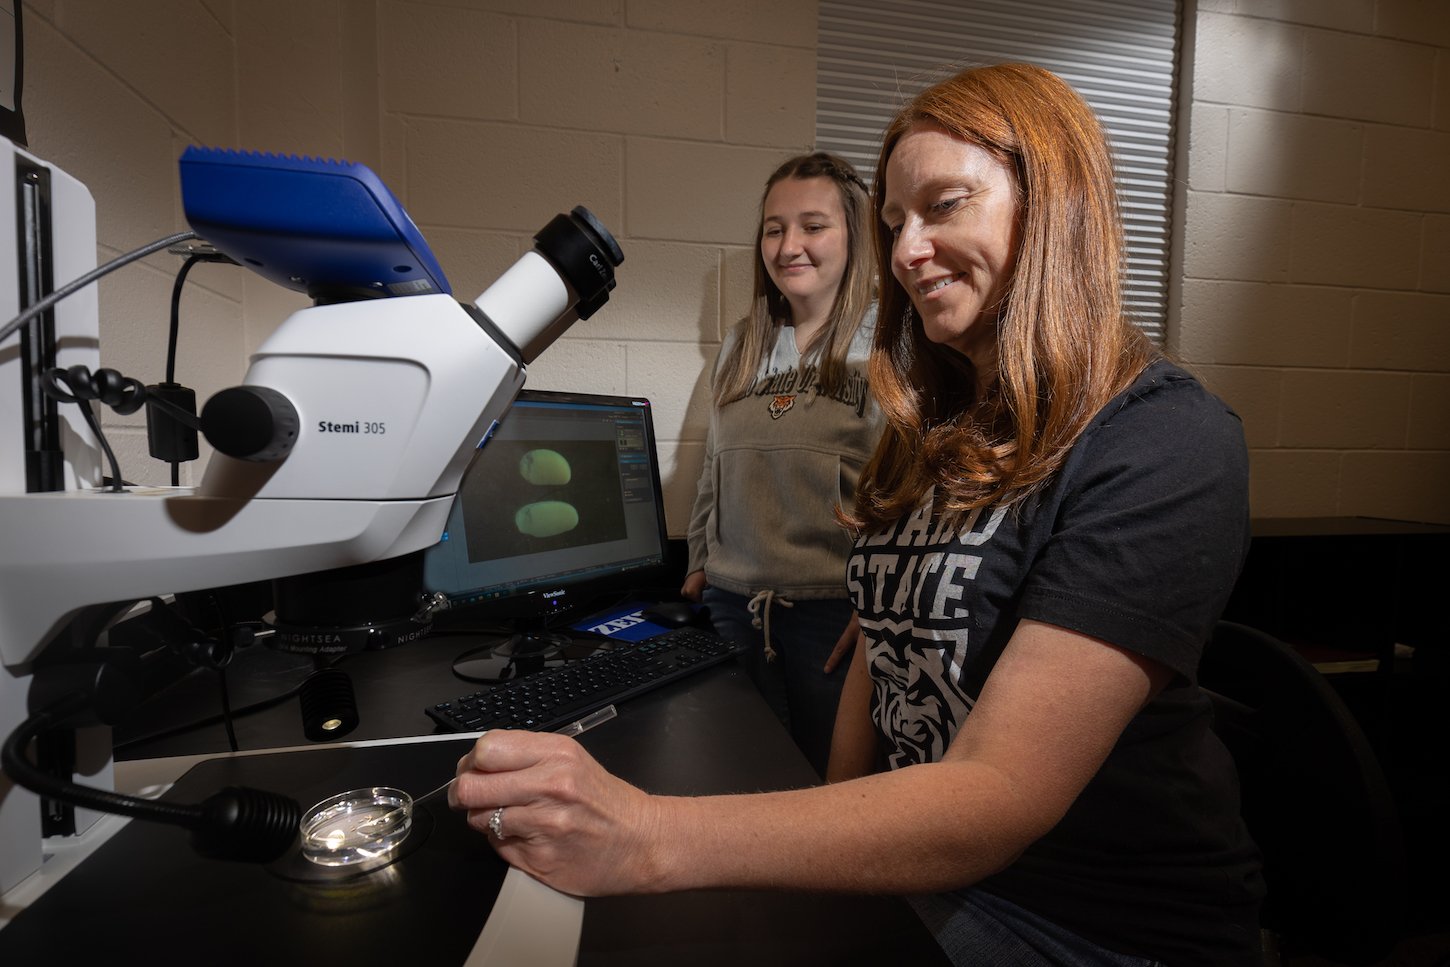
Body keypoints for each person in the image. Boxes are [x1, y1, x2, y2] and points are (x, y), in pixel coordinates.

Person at [450, 63, 1265, 967]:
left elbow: (996, 795)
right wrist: (819, 878)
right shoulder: (936, 426)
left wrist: (645, 834)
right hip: (933, 874)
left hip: (1082, 920)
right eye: (894, 222)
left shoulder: (1163, 439)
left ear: (1058, 206)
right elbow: (877, 651)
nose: (909, 249)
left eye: (945, 204)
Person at [681, 151, 884, 778]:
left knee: (831, 795)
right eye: (774, 228)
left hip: (837, 616)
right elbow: (715, 465)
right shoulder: (743, 342)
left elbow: (916, 487)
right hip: (731, 607)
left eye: (813, 225)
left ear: (855, 236)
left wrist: (883, 605)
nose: (789, 244)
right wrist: (698, 561)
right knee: (743, 780)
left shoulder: (891, 343)